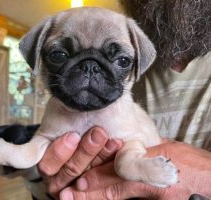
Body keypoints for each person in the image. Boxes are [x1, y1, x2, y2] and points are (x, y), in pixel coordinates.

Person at [37, 0, 211, 199]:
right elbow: (50, 173)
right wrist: (54, 186)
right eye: (59, 55)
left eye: (121, 61)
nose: (91, 72)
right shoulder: (127, 36)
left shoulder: (129, 41)